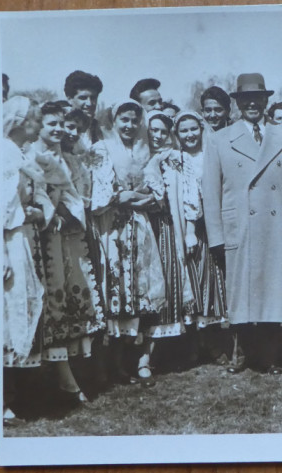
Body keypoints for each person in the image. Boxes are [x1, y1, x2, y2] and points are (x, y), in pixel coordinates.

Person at [203, 73, 282, 375]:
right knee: (241, 293)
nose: (252, 104)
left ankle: (270, 355)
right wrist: (217, 237)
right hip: (240, 227)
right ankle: (242, 353)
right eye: (245, 99)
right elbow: (211, 192)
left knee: (274, 292)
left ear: (266, 101)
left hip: (275, 228)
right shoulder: (219, 139)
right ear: (237, 102)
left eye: (258, 99)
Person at [26, 101, 106, 406]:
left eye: (62, 124)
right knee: (52, 302)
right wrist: (55, 207)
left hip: (71, 237)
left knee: (74, 299)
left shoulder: (71, 160)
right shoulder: (33, 156)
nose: (59, 129)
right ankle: (59, 379)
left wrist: (70, 209)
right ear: (40, 127)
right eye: (52, 124)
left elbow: (81, 198)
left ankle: (70, 375)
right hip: (45, 238)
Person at [88, 100, 165, 386]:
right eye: (124, 120)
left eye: (134, 120)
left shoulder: (146, 149)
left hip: (139, 226)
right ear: (114, 120)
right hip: (113, 228)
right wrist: (132, 196)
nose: (130, 126)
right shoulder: (103, 149)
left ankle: (140, 362)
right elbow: (105, 196)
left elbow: (156, 195)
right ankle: (109, 366)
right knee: (115, 289)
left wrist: (135, 197)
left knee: (139, 290)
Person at [141, 110, 197, 381]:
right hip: (141, 229)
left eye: (163, 131)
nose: (158, 136)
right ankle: (141, 355)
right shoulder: (138, 159)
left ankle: (164, 352)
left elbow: (187, 196)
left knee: (170, 283)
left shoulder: (176, 159)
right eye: (153, 131)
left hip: (167, 227)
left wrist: (188, 231)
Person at [1, 96, 46, 425]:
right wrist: (1, 252)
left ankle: (11, 396)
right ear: (19, 121)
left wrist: (34, 212)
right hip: (7, 241)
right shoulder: (4, 153)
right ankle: (2, 402)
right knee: (5, 315)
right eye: (35, 119)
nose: (40, 124)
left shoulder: (19, 153)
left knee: (18, 310)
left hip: (21, 238)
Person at [174, 110, 229, 361]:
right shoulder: (177, 160)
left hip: (213, 224)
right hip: (189, 227)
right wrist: (189, 230)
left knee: (213, 282)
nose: (189, 135)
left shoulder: (210, 155)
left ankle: (216, 342)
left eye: (193, 129)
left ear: (202, 129)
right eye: (183, 131)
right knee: (192, 282)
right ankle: (194, 344)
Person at [64, 70, 104, 149]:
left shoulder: (99, 129)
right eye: (83, 98)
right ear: (69, 99)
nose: (89, 103)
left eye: (93, 98)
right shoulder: (60, 128)